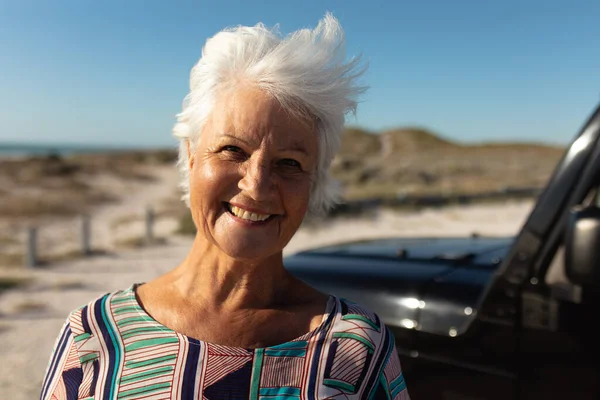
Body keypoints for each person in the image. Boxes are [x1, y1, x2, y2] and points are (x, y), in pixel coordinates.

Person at [40, 13, 410, 400]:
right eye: (232, 150)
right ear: (192, 155)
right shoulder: (94, 337)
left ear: (313, 182)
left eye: (289, 163)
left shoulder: (357, 346)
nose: (256, 185)